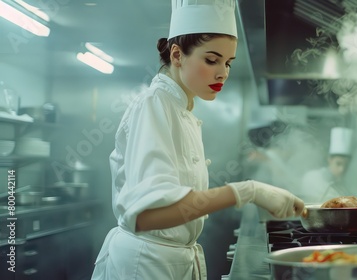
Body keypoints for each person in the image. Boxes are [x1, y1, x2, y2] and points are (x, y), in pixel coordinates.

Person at [90, 1, 304, 279]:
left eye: (227, 63)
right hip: (145, 265)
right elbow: (146, 216)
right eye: (211, 60)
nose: (223, 73)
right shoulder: (154, 105)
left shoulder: (181, 109)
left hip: (171, 260)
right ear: (177, 55)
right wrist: (248, 191)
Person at [298, 127, 353, 203]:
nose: (342, 169)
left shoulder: (343, 187)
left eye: (346, 165)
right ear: (329, 159)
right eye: (338, 163)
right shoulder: (311, 178)